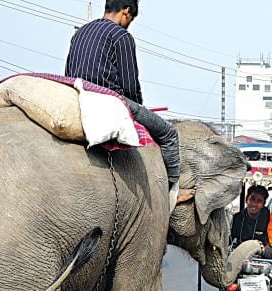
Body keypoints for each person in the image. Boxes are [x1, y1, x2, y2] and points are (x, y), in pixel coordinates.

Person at [65, 0, 189, 205]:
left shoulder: (80, 32)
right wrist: (139, 111)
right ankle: (169, 197)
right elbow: (130, 86)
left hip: (76, 94)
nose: (129, 23)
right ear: (127, 11)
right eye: (131, 19)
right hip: (108, 98)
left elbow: (69, 73)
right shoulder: (122, 35)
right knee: (169, 134)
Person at [231, 185, 272, 258]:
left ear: (263, 204)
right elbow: (231, 239)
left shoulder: (270, 219)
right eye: (252, 199)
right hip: (241, 251)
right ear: (246, 200)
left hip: (261, 252)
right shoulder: (237, 218)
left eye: (259, 201)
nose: (254, 204)